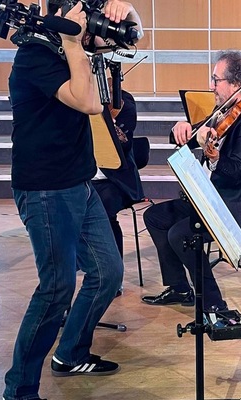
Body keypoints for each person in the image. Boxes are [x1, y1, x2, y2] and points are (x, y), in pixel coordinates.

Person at [2, 2, 143, 399]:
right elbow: (89, 102)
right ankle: (20, 389)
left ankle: (70, 352)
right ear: (65, 15)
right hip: (45, 189)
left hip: (79, 182)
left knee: (108, 272)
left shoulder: (71, 45)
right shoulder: (35, 54)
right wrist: (73, 41)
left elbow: (135, 35)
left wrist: (127, 7)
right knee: (56, 288)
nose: (91, 25)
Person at [141, 50, 241, 312]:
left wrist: (215, 157)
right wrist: (180, 129)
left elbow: (239, 172)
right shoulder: (222, 112)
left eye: (216, 80)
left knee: (181, 234)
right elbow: (192, 136)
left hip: (239, 206)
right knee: (156, 217)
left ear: (236, 85)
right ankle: (179, 287)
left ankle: (214, 304)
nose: (211, 86)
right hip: (211, 197)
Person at [91, 89, 144, 296]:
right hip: (84, 176)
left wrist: (109, 120)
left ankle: (113, 277)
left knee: (103, 209)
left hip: (115, 181)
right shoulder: (77, 95)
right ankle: (89, 268)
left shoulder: (124, 101)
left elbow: (125, 142)